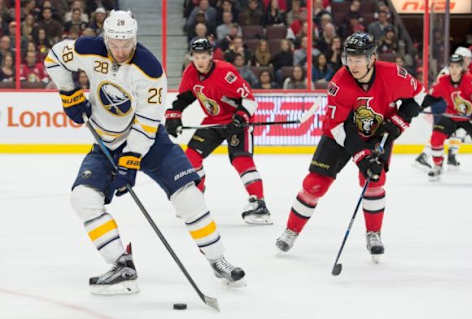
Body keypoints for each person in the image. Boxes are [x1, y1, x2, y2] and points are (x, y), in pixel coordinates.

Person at [44, 10, 245, 295]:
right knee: (83, 198)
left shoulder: (150, 69)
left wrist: (130, 160)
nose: (121, 49)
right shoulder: (87, 49)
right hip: (105, 141)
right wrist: (69, 92)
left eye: (127, 43)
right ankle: (121, 265)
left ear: (135, 38)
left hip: (150, 143)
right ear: (106, 37)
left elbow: (148, 121)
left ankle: (218, 260)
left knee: (189, 195)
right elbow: (54, 57)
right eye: (115, 42)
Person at [275, 32, 426, 260]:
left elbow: (420, 95)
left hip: (378, 132)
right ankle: (291, 230)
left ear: (372, 58)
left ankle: (373, 233)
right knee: (314, 184)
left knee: (374, 181)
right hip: (341, 134)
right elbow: (338, 127)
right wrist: (361, 156)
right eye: (349, 58)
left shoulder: (393, 74)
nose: (352, 64)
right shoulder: (339, 82)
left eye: (358, 59)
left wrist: (399, 121)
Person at [165, 38, 272, 225]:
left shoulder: (226, 72)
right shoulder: (191, 71)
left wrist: (240, 118)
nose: (199, 61)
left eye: (203, 57)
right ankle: (195, 198)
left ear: (211, 57)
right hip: (213, 121)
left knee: (240, 159)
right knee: (191, 156)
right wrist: (173, 116)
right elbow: (184, 98)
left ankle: (259, 204)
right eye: (196, 57)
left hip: (237, 121)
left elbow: (249, 101)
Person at [414, 46, 472, 170]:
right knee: (441, 132)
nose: (469, 61)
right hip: (442, 104)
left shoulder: (461, 71)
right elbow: (440, 89)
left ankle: (451, 155)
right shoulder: (451, 71)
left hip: (449, 103)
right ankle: (425, 155)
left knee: (458, 131)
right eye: (467, 59)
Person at [426, 54, 472, 180]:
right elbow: (430, 97)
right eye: (451, 66)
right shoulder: (443, 81)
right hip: (451, 116)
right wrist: (416, 107)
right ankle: (438, 165)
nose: (454, 70)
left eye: (457, 66)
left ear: (462, 68)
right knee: (436, 138)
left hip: (470, 118)